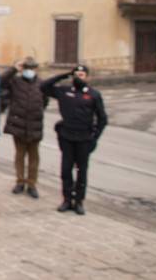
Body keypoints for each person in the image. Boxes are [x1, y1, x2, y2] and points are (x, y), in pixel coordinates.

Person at [40, 64, 107, 215]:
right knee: (66, 170)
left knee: (81, 171)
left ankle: (79, 201)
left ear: (87, 77)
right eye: (76, 75)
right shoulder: (65, 92)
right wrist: (64, 75)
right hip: (67, 137)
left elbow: (102, 119)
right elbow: (44, 86)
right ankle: (67, 199)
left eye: (81, 75)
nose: (78, 77)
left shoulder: (93, 95)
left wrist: (95, 137)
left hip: (84, 138)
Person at [0, 56, 48, 198]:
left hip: (35, 125)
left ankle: (32, 184)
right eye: (27, 68)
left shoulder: (41, 83)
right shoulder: (15, 82)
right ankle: (20, 181)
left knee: (34, 157)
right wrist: (14, 69)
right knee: (20, 155)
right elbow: (1, 82)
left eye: (32, 68)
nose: (29, 71)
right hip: (19, 125)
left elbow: (45, 102)